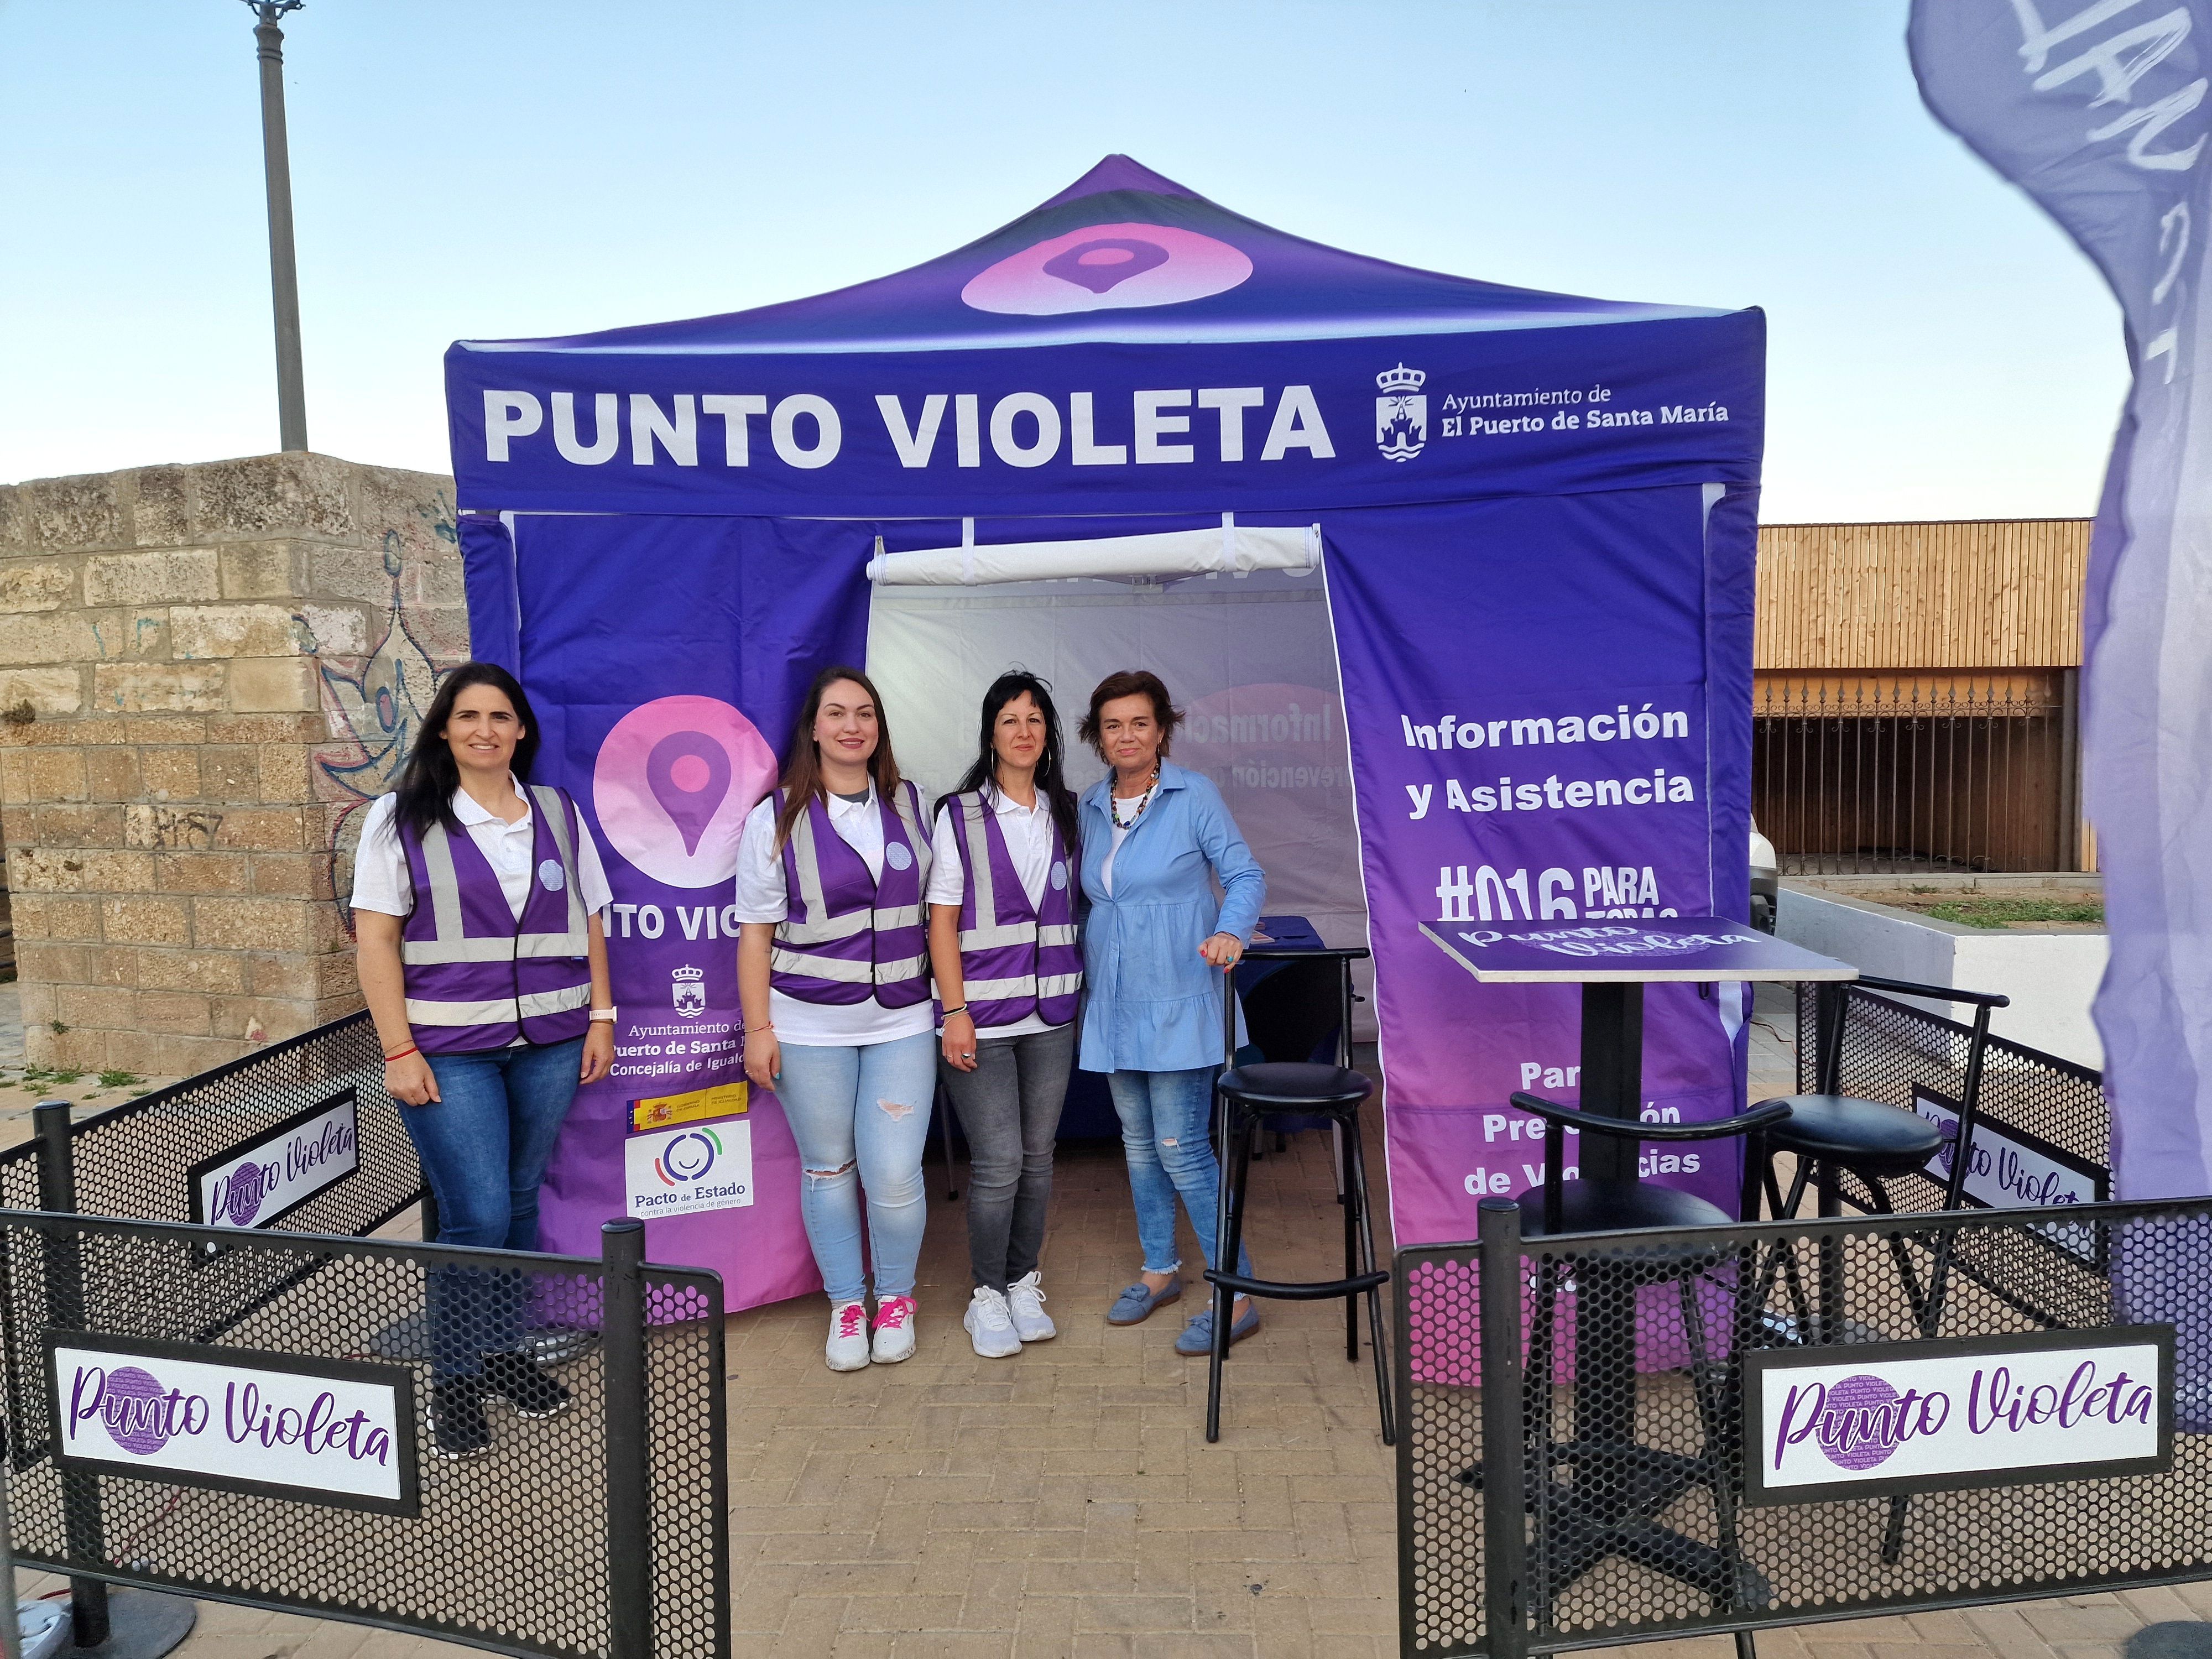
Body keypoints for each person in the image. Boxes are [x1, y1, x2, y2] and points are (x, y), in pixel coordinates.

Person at [352, 662, 616, 1459]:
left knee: (521, 1200)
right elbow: (375, 940)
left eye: (500, 718)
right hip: (447, 1049)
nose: (485, 730)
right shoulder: (399, 817)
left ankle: (504, 1356)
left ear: (522, 730)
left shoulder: (558, 814)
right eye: (468, 717)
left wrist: (600, 1015)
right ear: (443, 728)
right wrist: (397, 1049)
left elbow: (592, 919)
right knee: (478, 1217)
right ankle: (456, 1377)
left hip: (550, 1040)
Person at [735, 666, 937, 1373]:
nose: (853, 725)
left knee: (893, 1174)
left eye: (866, 713)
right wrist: (758, 1030)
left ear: (878, 727)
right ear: (814, 728)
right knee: (829, 1170)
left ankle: (896, 1300)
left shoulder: (912, 805)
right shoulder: (776, 816)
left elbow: (938, 913)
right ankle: (847, 1305)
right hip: (807, 1025)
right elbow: (755, 933)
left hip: (902, 1021)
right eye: (837, 713)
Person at [1077, 670, 1266, 1357]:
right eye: (1112, 725)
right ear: (1097, 737)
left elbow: (1245, 875)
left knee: (1182, 1150)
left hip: (1182, 998)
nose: (1126, 736)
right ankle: (1160, 1271)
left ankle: (1237, 1291)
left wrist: (1231, 931)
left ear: (1162, 730)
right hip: (1116, 1002)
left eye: (1139, 723)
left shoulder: (1195, 797)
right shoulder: (1091, 806)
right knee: (1136, 1146)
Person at [926, 671, 1083, 1359]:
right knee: (997, 1163)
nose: (1024, 731)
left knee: (1039, 1160)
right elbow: (941, 923)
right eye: (1010, 719)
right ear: (990, 732)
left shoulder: (1070, 811)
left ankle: (1023, 1280)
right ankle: (985, 1294)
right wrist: (954, 1011)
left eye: (1036, 720)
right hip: (981, 1018)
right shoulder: (958, 813)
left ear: (1048, 735)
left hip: (1052, 1015)